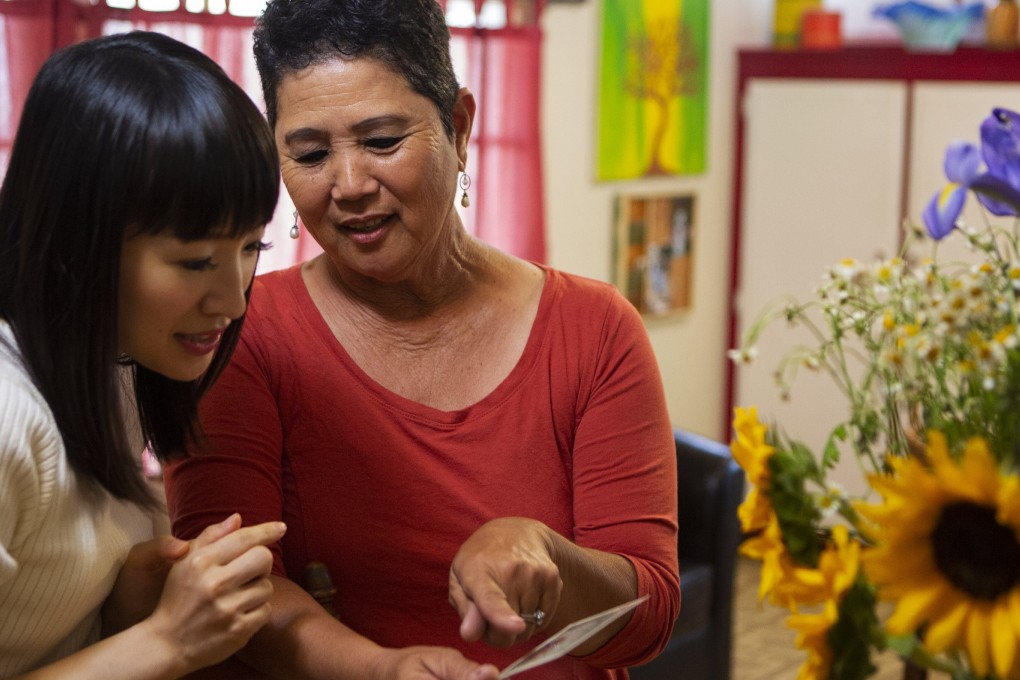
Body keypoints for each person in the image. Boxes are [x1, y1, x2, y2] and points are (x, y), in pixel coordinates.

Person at [163, 0, 680, 678]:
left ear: (459, 127)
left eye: (381, 142)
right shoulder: (240, 332)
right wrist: (383, 670)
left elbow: (647, 616)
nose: (348, 186)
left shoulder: (594, 329)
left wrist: (549, 558)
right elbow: (232, 594)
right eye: (311, 153)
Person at [0, 31, 288, 678]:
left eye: (252, 249)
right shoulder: (7, 417)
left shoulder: (115, 365)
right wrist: (165, 640)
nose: (233, 302)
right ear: (80, 238)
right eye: (194, 261)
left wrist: (122, 609)